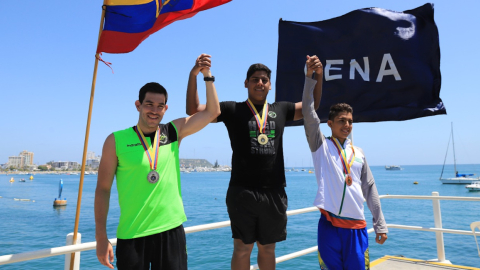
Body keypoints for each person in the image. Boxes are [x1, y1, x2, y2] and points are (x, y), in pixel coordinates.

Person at [186, 54, 323, 270]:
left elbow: (311, 106)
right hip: (242, 191)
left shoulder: (281, 109)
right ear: (246, 84)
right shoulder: (232, 109)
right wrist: (195, 75)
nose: (260, 83)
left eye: (264, 80)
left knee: (268, 249)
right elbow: (193, 110)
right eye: (255, 79)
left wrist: (317, 75)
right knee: (242, 249)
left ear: (270, 85)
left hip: (274, 191)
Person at [94, 58, 220, 270]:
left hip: (171, 231)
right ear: (138, 105)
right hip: (132, 234)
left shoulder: (172, 132)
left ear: (166, 108)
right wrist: (101, 237)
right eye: (149, 104)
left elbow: (212, 112)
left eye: (160, 106)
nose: (154, 110)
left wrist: (206, 75)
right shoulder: (115, 140)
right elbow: (103, 189)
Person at [301, 71, 388, 269]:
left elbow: (370, 188)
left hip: (356, 227)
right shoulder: (320, 146)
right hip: (329, 225)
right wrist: (310, 78)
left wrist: (380, 223)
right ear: (329, 124)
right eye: (342, 120)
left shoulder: (359, 152)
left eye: (350, 121)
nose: (347, 125)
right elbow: (308, 110)